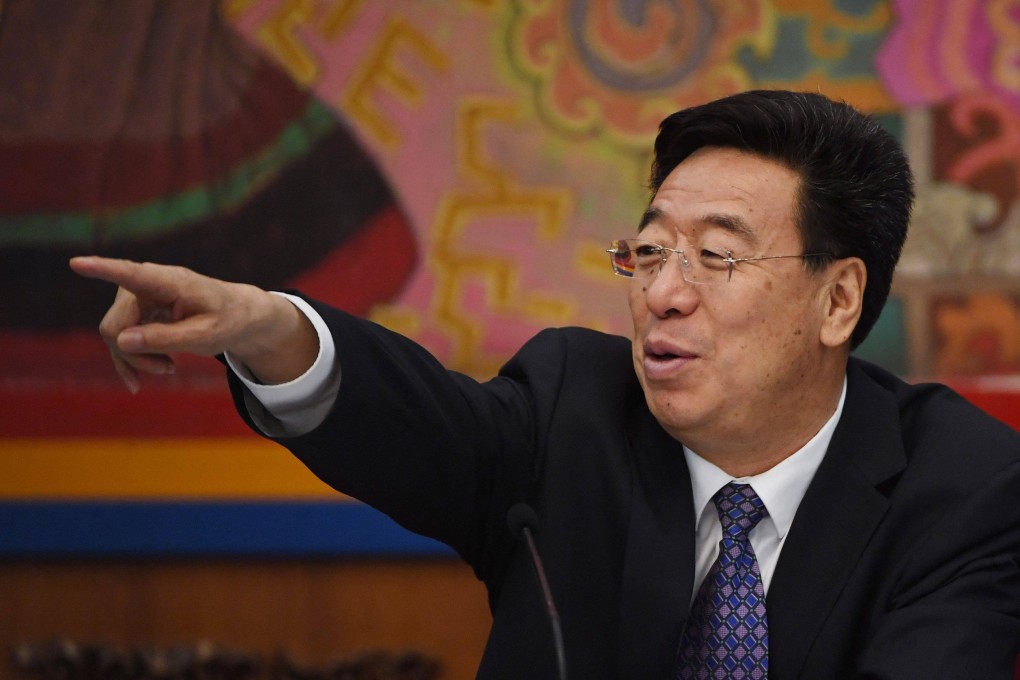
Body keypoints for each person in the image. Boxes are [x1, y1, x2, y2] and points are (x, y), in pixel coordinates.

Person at [71, 90, 1020, 679]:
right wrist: (270, 328)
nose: (664, 295)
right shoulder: (575, 412)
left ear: (839, 300)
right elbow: (421, 424)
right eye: (648, 253)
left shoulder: (963, 488)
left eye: (715, 258)